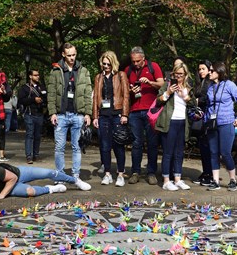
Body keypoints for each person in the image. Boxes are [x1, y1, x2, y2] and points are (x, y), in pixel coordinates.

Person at [47, 42, 92, 191]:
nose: (72, 58)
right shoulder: (56, 70)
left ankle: (76, 177)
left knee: (77, 147)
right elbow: (51, 93)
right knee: (59, 148)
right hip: (61, 115)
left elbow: (87, 93)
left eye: (74, 55)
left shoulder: (83, 71)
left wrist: (88, 113)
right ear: (63, 55)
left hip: (78, 115)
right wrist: (52, 112)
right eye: (69, 55)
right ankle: (60, 177)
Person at [203, 62, 237, 191]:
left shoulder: (229, 85)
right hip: (212, 124)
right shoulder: (210, 87)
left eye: (212, 70)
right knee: (213, 152)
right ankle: (215, 181)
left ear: (219, 72)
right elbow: (209, 106)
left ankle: (233, 179)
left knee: (225, 152)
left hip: (226, 122)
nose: (209, 72)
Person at [126, 46, 165, 185]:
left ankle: (151, 172)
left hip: (151, 111)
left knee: (152, 143)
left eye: (138, 61)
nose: (135, 64)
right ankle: (135, 172)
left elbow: (162, 84)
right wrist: (132, 90)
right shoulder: (128, 70)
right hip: (135, 111)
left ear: (143, 58)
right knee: (136, 143)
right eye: (133, 61)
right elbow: (125, 90)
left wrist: (149, 82)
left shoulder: (153, 66)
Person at [154, 62, 196, 191]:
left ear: (185, 75)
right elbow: (158, 100)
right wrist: (168, 92)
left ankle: (177, 179)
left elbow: (193, 104)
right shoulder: (168, 85)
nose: (178, 77)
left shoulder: (188, 87)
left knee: (179, 152)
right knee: (168, 152)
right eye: (176, 74)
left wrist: (186, 97)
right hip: (169, 122)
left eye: (181, 74)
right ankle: (166, 180)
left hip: (183, 122)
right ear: (172, 74)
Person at [0, 159, 76, 202]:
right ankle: (51, 188)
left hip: (17, 174)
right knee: (30, 192)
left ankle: (74, 181)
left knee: (48, 172)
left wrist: (1, 195)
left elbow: (13, 178)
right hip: (9, 187)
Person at [92, 51, 130, 187]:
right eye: (104, 63)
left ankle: (120, 174)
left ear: (113, 63)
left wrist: (125, 114)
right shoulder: (98, 77)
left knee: (119, 145)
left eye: (108, 64)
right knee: (105, 146)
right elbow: (96, 97)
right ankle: (107, 173)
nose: (106, 66)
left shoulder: (121, 75)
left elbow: (126, 95)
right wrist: (95, 116)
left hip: (117, 114)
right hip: (103, 115)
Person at [18, 69, 46, 164]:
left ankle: (36, 155)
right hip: (29, 114)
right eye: (35, 75)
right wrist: (33, 99)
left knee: (37, 135)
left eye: (38, 75)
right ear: (30, 76)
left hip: (39, 114)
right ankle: (29, 156)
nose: (37, 77)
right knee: (29, 135)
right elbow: (21, 100)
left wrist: (42, 101)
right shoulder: (24, 88)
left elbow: (46, 98)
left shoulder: (42, 87)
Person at [193, 60, 213, 186]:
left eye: (203, 69)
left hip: (209, 118)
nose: (201, 71)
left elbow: (208, 98)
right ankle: (206, 172)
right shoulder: (199, 83)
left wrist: (197, 100)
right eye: (199, 69)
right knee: (203, 146)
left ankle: (209, 173)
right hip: (199, 118)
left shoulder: (211, 83)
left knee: (208, 147)